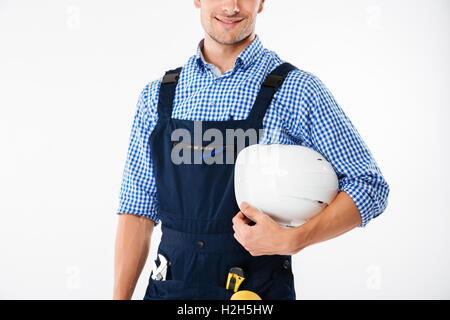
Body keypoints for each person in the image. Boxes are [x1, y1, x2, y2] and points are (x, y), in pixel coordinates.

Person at [113, 0, 390, 300]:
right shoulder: (157, 96)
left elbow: (369, 185)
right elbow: (136, 213)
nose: (232, 6)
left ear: (262, 2)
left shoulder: (297, 90)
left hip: (255, 292)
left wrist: (295, 240)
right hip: (171, 289)